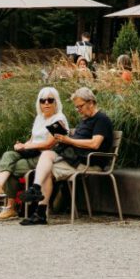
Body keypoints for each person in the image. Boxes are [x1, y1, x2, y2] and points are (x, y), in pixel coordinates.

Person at [20, 87, 114, 226]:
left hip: (88, 162)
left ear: (91, 102)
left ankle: (39, 211)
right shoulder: (85, 120)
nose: (78, 110)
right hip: (73, 158)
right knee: (47, 155)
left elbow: (95, 144)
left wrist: (69, 140)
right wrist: (65, 136)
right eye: (76, 107)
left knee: (48, 170)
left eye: (80, 106)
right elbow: (77, 139)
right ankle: (36, 189)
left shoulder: (101, 119)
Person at [0, 87, 69, 221]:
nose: (46, 103)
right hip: (31, 152)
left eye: (50, 100)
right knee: (8, 155)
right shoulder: (40, 118)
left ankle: (10, 208)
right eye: (42, 100)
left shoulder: (59, 119)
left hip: (45, 156)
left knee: (12, 168)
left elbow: (49, 144)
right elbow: (33, 139)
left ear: (56, 102)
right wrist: (22, 145)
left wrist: (27, 146)